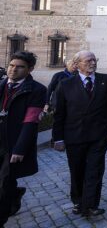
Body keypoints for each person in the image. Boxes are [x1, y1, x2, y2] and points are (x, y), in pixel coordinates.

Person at [53, 51, 107, 218]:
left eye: (94, 60)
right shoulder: (66, 84)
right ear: (77, 65)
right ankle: (78, 201)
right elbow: (59, 114)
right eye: (88, 60)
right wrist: (58, 138)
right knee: (77, 170)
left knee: (95, 169)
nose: (93, 63)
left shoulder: (106, 80)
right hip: (75, 136)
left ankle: (90, 205)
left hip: (99, 135)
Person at [0, 52, 46, 225]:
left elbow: (30, 121)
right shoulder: (1, 85)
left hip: (13, 143)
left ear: (30, 69)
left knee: (4, 182)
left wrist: (20, 148)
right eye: (11, 65)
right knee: (5, 182)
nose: (13, 69)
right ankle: (15, 194)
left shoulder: (37, 90)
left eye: (20, 67)